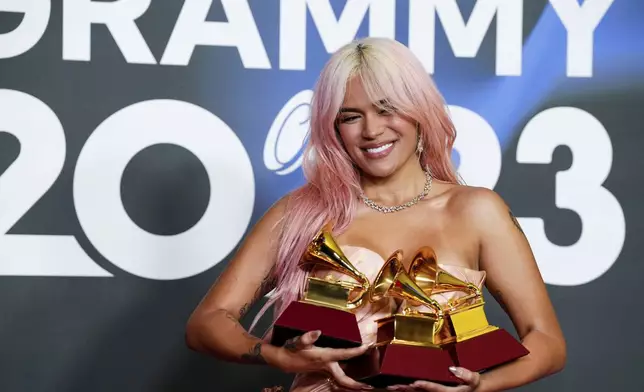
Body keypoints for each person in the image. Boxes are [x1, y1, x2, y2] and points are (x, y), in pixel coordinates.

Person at [185, 37, 566, 392]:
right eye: (351, 117)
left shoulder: (476, 211)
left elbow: (546, 340)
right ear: (333, 128)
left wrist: (480, 386)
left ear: (420, 112)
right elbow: (206, 323)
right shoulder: (301, 213)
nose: (371, 130)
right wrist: (277, 355)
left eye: (387, 109)